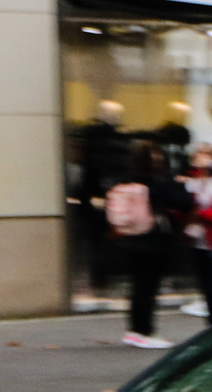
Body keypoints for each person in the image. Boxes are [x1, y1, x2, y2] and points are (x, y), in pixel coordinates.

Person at [103, 140, 186, 348]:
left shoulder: (123, 181)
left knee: (138, 286)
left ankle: (134, 329)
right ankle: (144, 330)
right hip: (151, 240)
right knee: (148, 287)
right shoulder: (155, 183)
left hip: (129, 238)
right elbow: (183, 201)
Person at [71, 99, 130, 304]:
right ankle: (103, 276)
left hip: (97, 196)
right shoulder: (117, 142)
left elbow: (89, 170)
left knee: (97, 241)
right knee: (106, 239)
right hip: (110, 196)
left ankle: (100, 277)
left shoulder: (94, 139)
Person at [179, 145, 212, 325]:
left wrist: (201, 214)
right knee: (204, 284)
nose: (202, 165)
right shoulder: (191, 182)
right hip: (196, 238)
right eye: (198, 160)